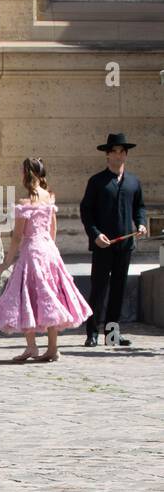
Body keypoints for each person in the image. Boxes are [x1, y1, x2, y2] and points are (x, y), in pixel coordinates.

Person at [0, 159, 92, 363]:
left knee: (26, 295)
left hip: (32, 252)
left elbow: (17, 237)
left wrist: (6, 263)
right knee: (49, 296)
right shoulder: (49, 198)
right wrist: (49, 249)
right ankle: (52, 348)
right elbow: (52, 229)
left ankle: (32, 346)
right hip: (49, 251)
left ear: (27, 174)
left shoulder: (24, 203)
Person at [80, 133, 148, 347]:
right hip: (103, 245)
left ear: (125, 155)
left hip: (125, 245)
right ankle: (92, 333)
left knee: (119, 289)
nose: (118, 156)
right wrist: (95, 234)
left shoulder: (134, 182)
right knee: (99, 288)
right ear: (107, 155)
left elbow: (140, 207)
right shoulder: (97, 181)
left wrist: (141, 223)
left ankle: (112, 334)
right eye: (114, 152)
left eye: (122, 152)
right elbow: (86, 211)